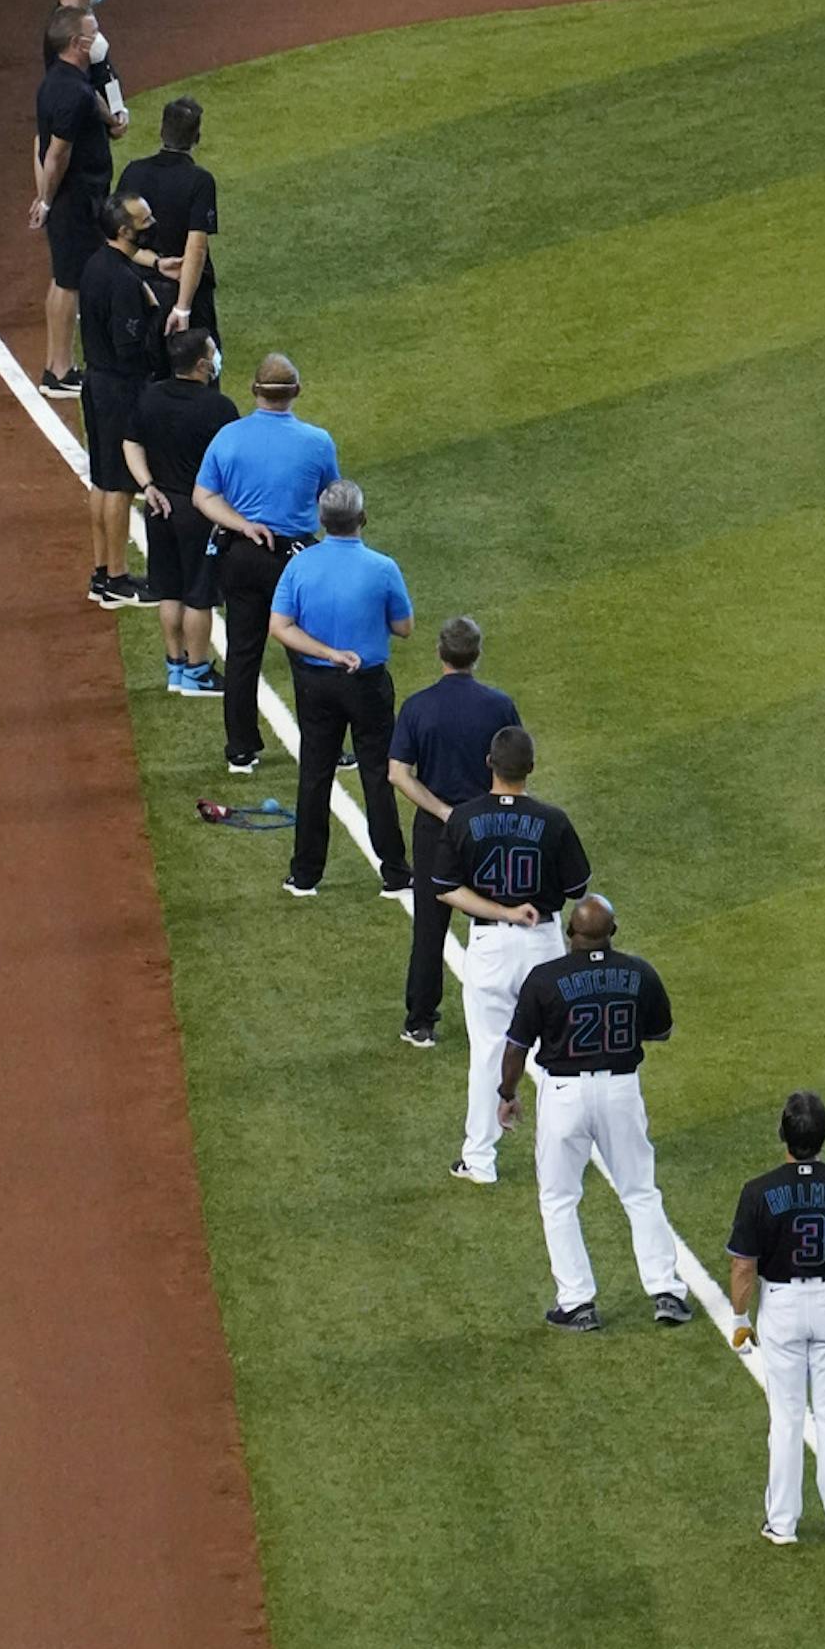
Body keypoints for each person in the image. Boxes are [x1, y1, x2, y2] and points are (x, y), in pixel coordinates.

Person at [498, 894, 684, 1330]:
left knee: (560, 1199)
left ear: (570, 933)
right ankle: (666, 1293)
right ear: (613, 932)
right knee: (640, 1191)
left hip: (564, 1095)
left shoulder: (545, 978)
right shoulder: (638, 972)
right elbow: (662, 1030)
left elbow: (516, 1046)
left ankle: (578, 1303)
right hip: (621, 1090)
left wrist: (506, 1093)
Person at [433, 725, 590, 1187]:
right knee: (559, 1053)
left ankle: (480, 1160)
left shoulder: (463, 818)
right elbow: (577, 889)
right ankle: (568, 1157)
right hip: (542, 942)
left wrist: (501, 908)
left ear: (490, 764)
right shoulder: (553, 820)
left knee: (488, 1052)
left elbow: (446, 889)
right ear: (530, 769)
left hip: (490, 947)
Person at [724, 1093, 825, 1544]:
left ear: (784, 1136)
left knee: (787, 1416)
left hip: (782, 1305)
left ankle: (782, 1523)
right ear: (823, 1137)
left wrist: (739, 1317)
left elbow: (743, 1265)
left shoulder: (758, 1191)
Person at [191, 357, 339, 780]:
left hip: (240, 555)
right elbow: (333, 501)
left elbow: (204, 497)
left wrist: (244, 525)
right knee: (309, 655)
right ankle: (322, 745)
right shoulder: (317, 441)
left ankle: (240, 749)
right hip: (295, 558)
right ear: (296, 391)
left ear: (255, 391)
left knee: (242, 652)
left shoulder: (228, 437)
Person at [267, 481, 413, 899]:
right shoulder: (382, 567)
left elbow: (280, 628)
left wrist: (328, 653)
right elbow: (404, 628)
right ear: (362, 520)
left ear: (322, 521)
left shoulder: (299, 566)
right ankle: (396, 873)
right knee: (377, 776)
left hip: (315, 685)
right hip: (367, 685)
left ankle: (305, 874)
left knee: (315, 774)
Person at [388, 619, 521, 1050]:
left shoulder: (418, 707)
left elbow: (398, 775)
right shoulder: (499, 706)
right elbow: (514, 767)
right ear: (476, 654)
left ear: (440, 653)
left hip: (437, 829)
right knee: (498, 919)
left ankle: (420, 1021)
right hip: (490, 826)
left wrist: (444, 811)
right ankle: (510, 1014)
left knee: (430, 927)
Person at [122, 328, 236, 692]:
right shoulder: (218, 407)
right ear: (202, 364)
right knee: (199, 593)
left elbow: (130, 443)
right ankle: (197, 671)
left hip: (160, 507)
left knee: (169, 590)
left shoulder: (150, 397)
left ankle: (175, 667)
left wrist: (148, 486)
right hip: (199, 511)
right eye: (213, 352)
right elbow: (234, 462)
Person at [31, 3, 128, 400]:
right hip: (74, 201)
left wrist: (110, 120)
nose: (98, 37)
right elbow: (56, 154)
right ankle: (59, 371)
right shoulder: (70, 92)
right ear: (76, 43)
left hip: (74, 199)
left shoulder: (64, 80)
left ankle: (59, 366)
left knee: (64, 279)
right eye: (92, 32)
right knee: (69, 284)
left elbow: (92, 101)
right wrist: (47, 202)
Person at [75, 192, 164, 606]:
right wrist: (152, 315)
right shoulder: (124, 281)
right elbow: (130, 348)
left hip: (95, 382)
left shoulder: (95, 264)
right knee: (120, 485)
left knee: (101, 479)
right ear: (125, 231)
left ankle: (101, 571)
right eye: (144, 220)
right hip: (119, 388)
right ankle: (116, 578)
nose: (151, 224)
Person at [118, 93, 220, 351]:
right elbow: (196, 247)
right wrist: (183, 308)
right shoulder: (200, 181)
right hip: (187, 292)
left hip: (142, 288)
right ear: (197, 138)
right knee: (199, 373)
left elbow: (117, 239)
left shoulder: (133, 171)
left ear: (162, 131)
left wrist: (155, 262)